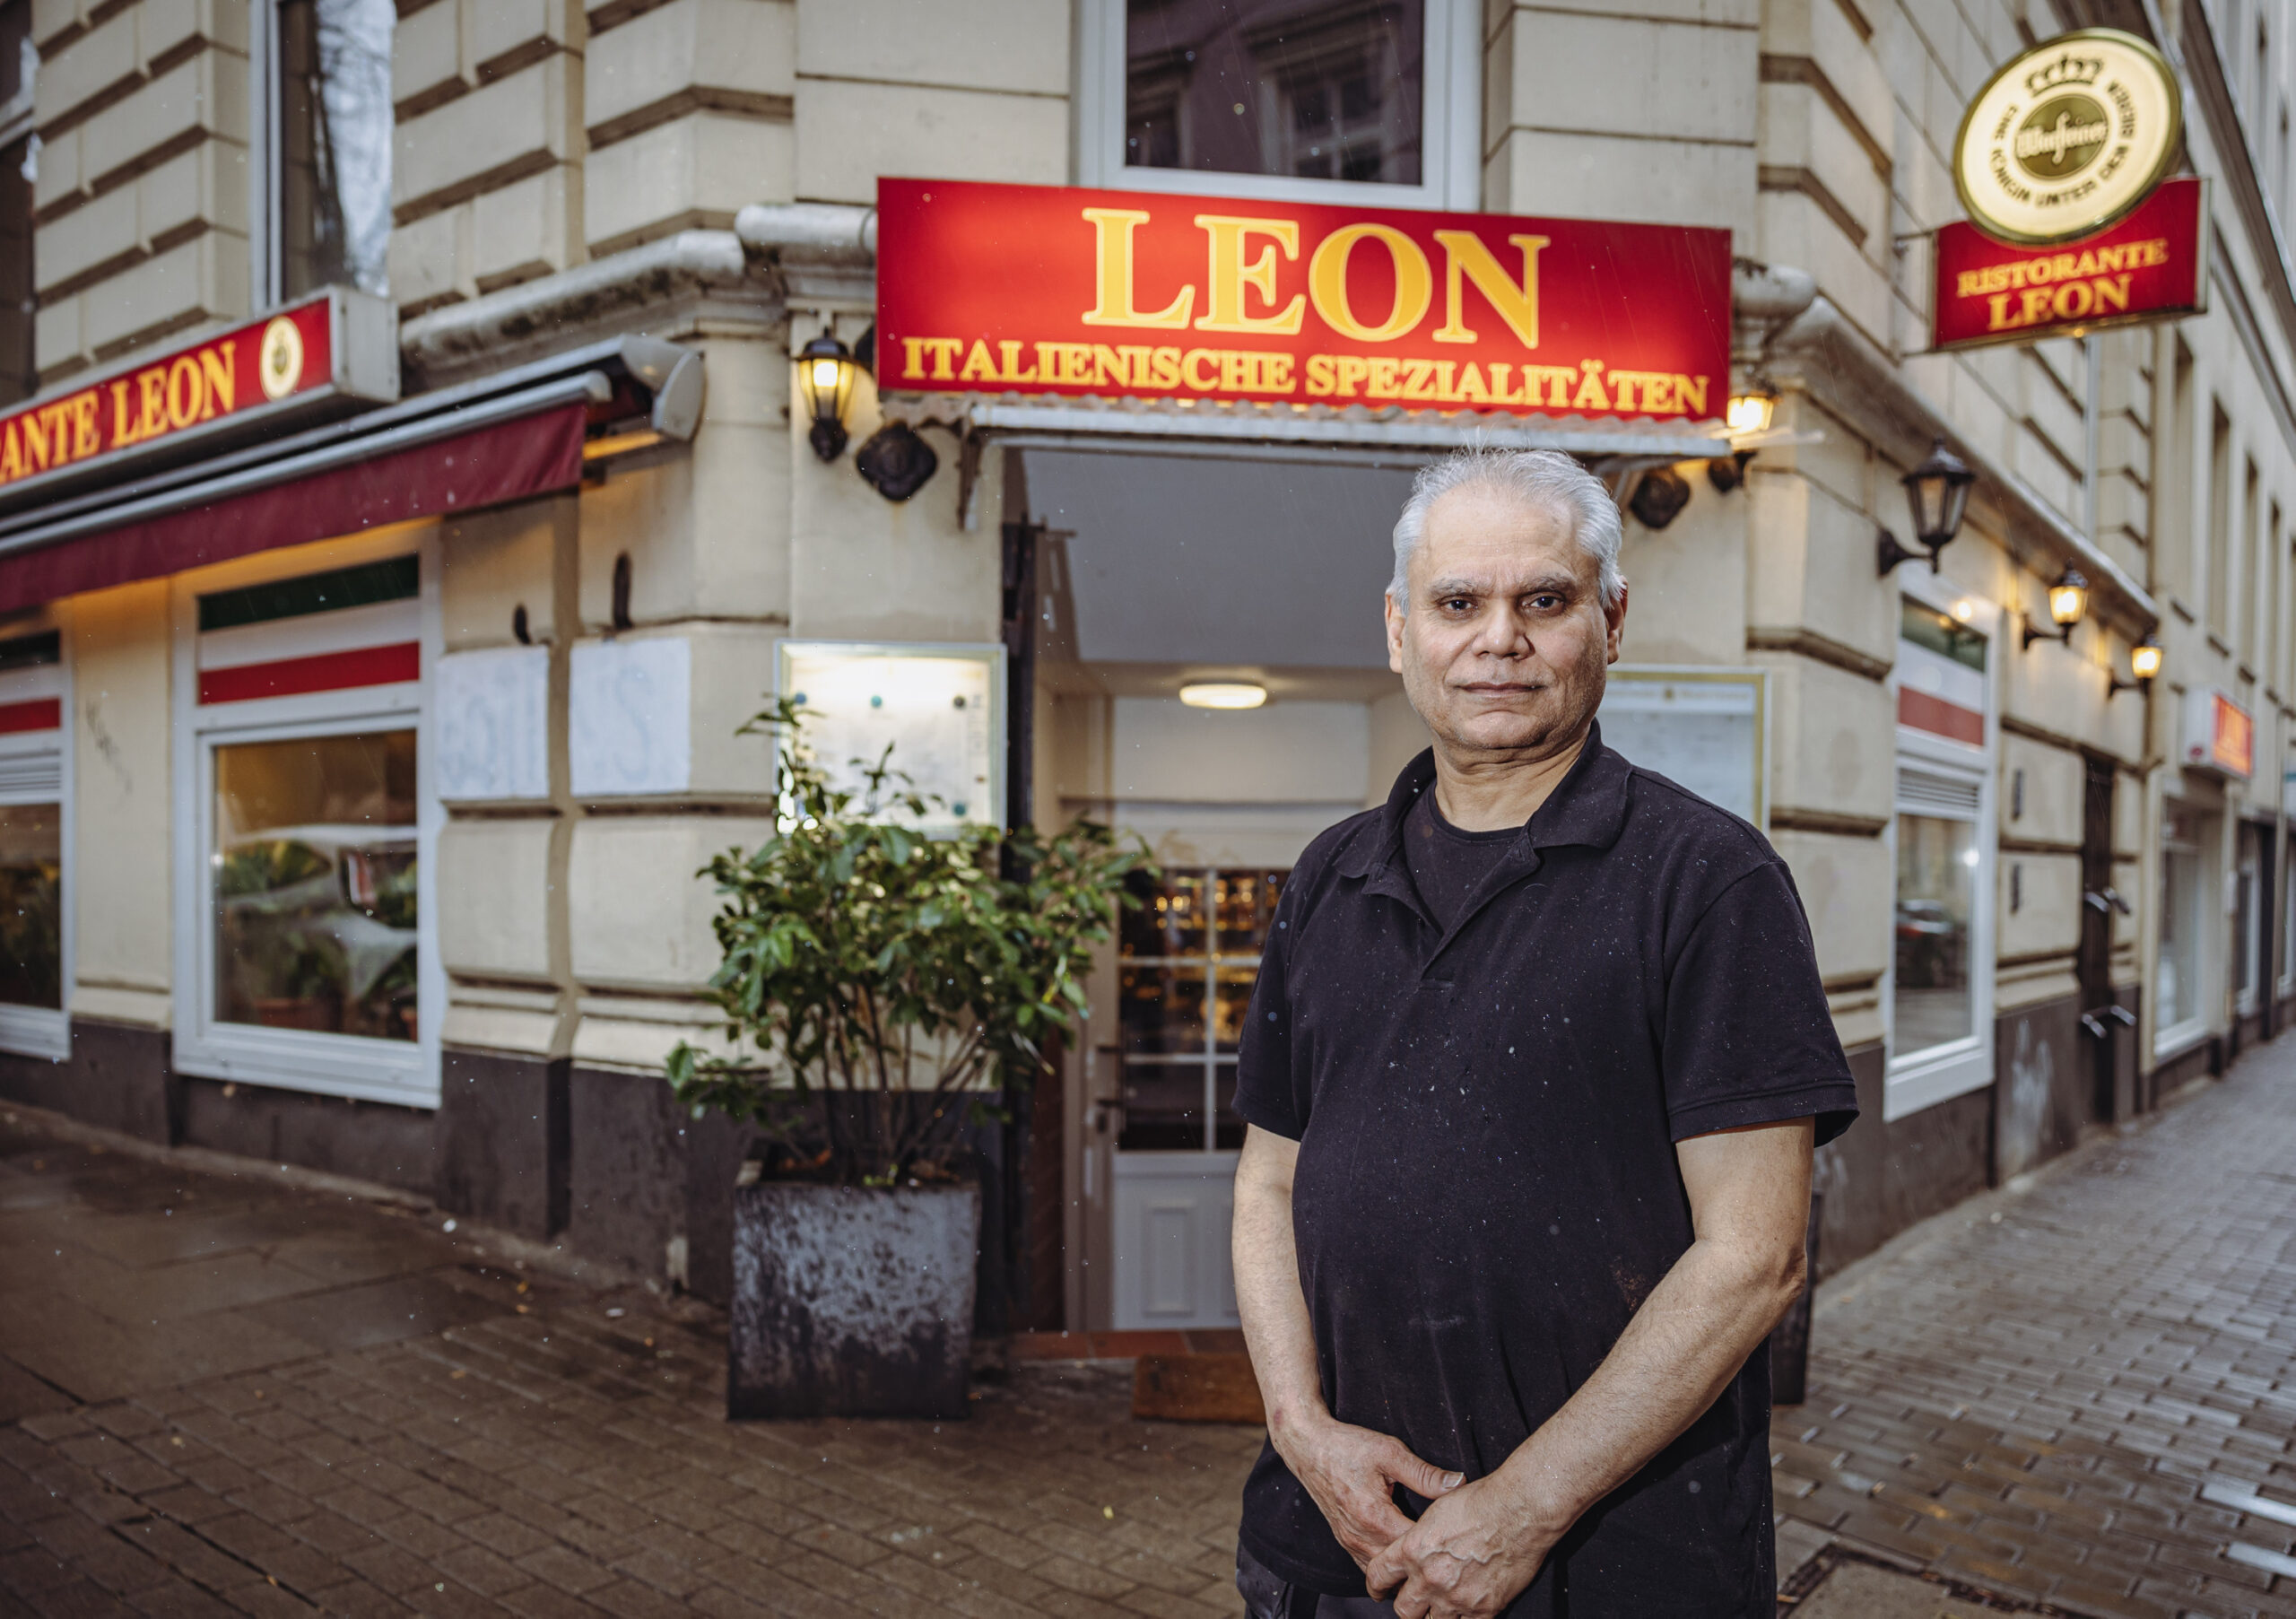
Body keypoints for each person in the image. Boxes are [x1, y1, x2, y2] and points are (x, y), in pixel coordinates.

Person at [1230, 447, 1857, 1619]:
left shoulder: (1709, 882)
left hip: (1610, 1570)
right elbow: (1269, 1182)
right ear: (1398, 629)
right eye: (1459, 601)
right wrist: (1300, 1428)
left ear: (1610, 620)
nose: (1498, 637)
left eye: (1546, 600)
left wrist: (1521, 1507)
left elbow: (1754, 1256)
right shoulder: (1329, 876)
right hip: (1328, 1549)